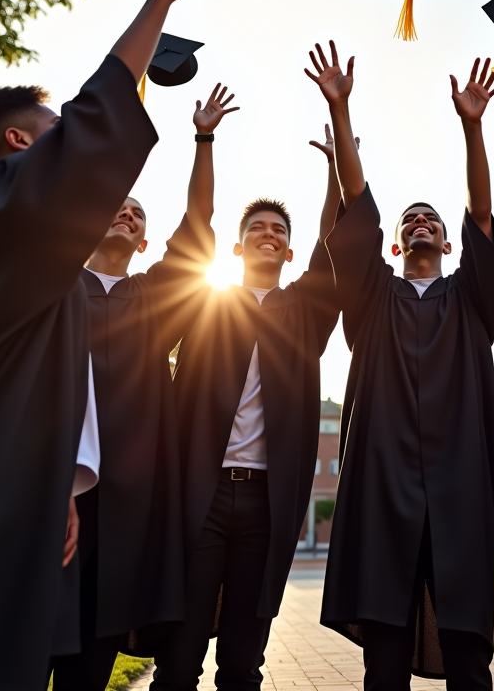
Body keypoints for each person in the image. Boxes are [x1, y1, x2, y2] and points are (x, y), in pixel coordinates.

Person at [0, 0, 214, 691]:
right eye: (52, 137)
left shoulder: (29, 267)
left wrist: (63, 488)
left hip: (16, 500)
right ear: (18, 145)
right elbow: (92, 125)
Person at [308, 42, 494, 691]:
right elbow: (357, 210)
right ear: (398, 244)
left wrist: (472, 128)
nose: (422, 223)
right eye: (411, 220)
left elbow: (481, 212)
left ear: (447, 243)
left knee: (467, 651)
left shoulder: (470, 299)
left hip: (459, 480)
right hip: (383, 480)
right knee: (385, 649)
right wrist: (342, 112)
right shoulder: (373, 297)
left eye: (432, 220)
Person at [49, 84, 239, 691]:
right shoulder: (50, 287)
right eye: (117, 207)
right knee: (32, 629)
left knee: (100, 636)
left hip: (128, 498)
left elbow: (199, 222)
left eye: (137, 215)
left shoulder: (153, 299)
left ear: (146, 243)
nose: (127, 215)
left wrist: (202, 139)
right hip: (48, 483)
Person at [149, 106, 343, 691]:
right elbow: (194, 222)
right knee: (178, 658)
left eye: (279, 231)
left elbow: (334, 245)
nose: (268, 233)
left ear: (289, 253)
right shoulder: (205, 305)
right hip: (200, 496)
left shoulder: (305, 314)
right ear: (235, 249)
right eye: (256, 228)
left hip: (266, 503)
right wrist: (203, 139)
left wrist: (337, 168)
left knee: (243, 661)